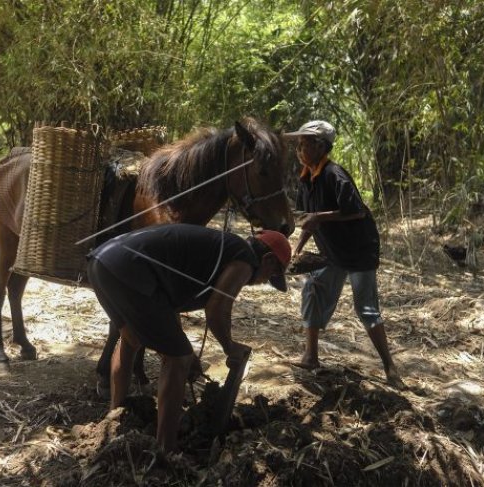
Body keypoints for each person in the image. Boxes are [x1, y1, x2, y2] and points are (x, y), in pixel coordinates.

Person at [87, 223, 291, 452]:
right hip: (129, 268)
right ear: (269, 260)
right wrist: (229, 346)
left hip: (102, 263)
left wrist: (188, 350)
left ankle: (117, 417)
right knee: (178, 360)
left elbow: (168, 305)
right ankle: (166, 450)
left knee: (131, 338)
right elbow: (217, 309)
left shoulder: (222, 249)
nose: (265, 281)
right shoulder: (245, 260)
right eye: (272, 275)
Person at [283, 120, 404, 387]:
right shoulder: (306, 179)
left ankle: (389, 366)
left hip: (359, 250)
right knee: (313, 288)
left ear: (320, 146)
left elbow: (357, 210)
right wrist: (298, 248)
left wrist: (319, 217)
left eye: (304, 144)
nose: (300, 149)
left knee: (367, 309)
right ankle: (311, 356)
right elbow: (309, 220)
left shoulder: (334, 174)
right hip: (332, 252)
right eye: (299, 144)